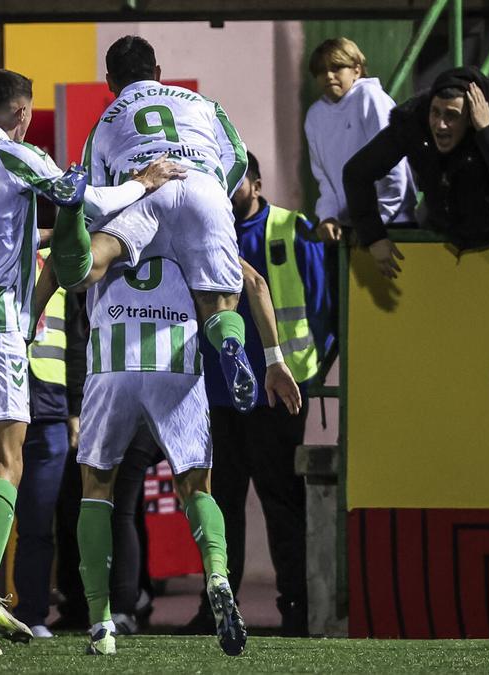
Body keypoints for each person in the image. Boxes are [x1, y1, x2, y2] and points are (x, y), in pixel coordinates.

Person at [0, 68, 180, 652]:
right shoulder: (21, 156)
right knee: (6, 463)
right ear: (21, 113)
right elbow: (90, 198)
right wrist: (144, 181)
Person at [74, 255, 299, 657]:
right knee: (197, 489)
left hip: (112, 363)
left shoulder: (108, 206)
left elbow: (67, 267)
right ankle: (217, 575)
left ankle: (102, 624)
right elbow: (255, 282)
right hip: (176, 363)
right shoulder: (193, 207)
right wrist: (275, 360)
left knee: (98, 491)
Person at [46, 34, 261, 413]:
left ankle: (80, 264)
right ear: (158, 72)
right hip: (202, 189)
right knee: (221, 303)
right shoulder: (203, 104)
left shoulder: (105, 121)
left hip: (145, 196)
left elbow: (99, 197)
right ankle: (229, 341)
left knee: (90, 265)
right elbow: (239, 159)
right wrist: (211, 195)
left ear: (110, 82)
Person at [187, 153, 332, 637]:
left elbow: (323, 309)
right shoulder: (207, 234)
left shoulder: (294, 229)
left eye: (236, 182)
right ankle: (217, 608)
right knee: (221, 503)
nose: (227, 192)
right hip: (217, 393)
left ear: (257, 182)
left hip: (276, 396)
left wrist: (303, 372)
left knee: (282, 503)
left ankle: (296, 607)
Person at [344, 66, 489, 278]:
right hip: (446, 238)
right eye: (436, 112)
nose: (440, 125)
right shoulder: (414, 122)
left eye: (451, 115)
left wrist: (486, 131)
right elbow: (356, 173)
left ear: (470, 117)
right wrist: (374, 236)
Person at [12, 250, 87, 638]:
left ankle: (32, 615)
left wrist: (74, 408)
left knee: (39, 521)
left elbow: (74, 340)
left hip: (49, 410)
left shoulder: (54, 259)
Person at [304, 37, 414, 243]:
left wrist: (373, 224)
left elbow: (393, 167)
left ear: (357, 69)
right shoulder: (315, 115)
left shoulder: (371, 97)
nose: (328, 76)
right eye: (320, 71)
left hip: (391, 226)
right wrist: (328, 216)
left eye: (337, 67)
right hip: (348, 229)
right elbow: (323, 178)